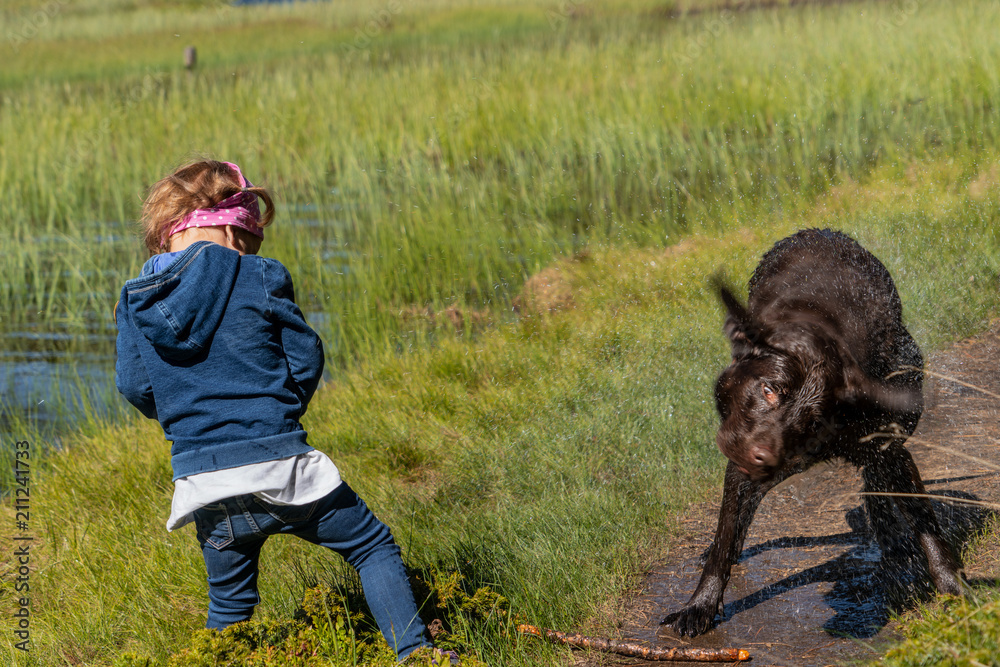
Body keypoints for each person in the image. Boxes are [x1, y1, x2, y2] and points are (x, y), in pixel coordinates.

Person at [114, 159, 433, 661]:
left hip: (204, 480)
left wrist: (188, 417)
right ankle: (416, 654)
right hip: (281, 464)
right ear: (232, 227)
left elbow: (133, 386)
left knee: (230, 603)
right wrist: (278, 412)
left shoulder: (135, 300)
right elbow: (305, 359)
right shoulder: (260, 275)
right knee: (371, 547)